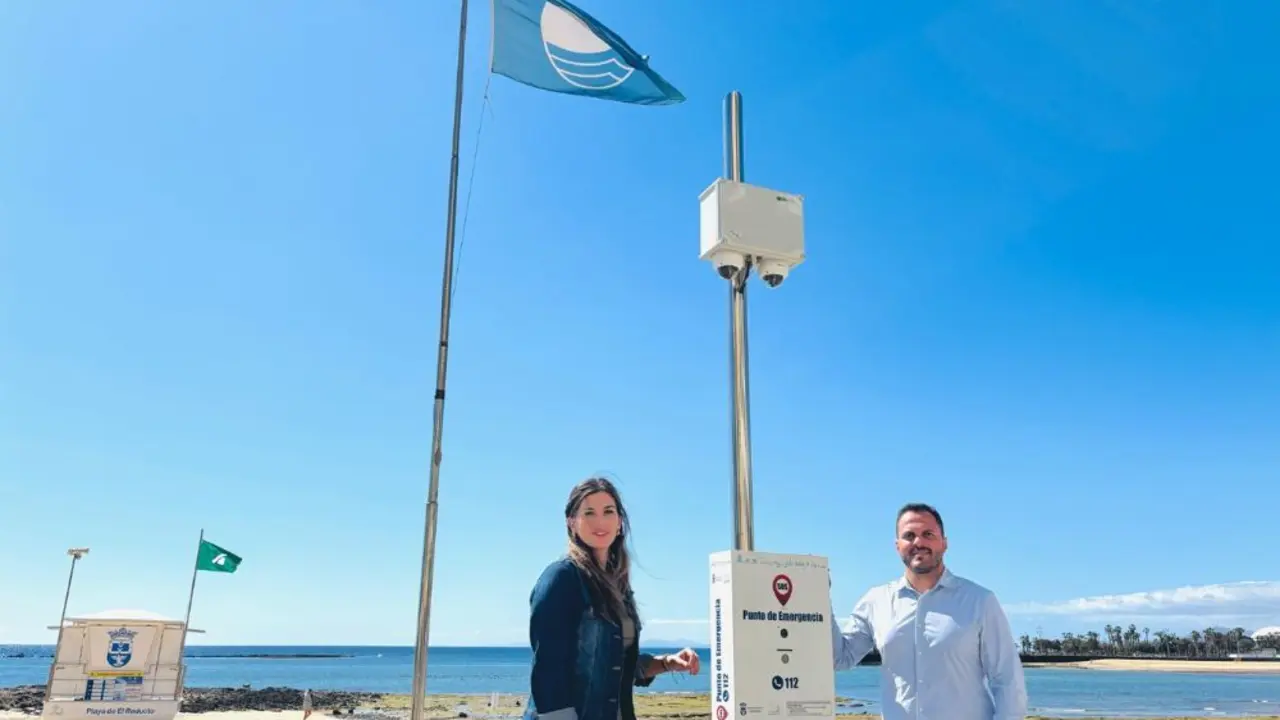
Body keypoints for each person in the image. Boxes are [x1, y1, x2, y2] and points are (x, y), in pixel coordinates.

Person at [830, 503, 1027, 720]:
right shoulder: (876, 601)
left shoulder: (980, 601)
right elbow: (840, 658)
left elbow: (1007, 679)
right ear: (897, 546)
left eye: (928, 534)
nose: (918, 542)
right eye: (909, 535)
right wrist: (818, 599)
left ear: (944, 543)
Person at [525, 477, 700, 720]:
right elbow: (548, 672)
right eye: (589, 513)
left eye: (608, 511)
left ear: (619, 522)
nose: (600, 521)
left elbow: (615, 662)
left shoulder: (619, 586)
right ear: (571, 522)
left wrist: (667, 662)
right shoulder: (561, 578)